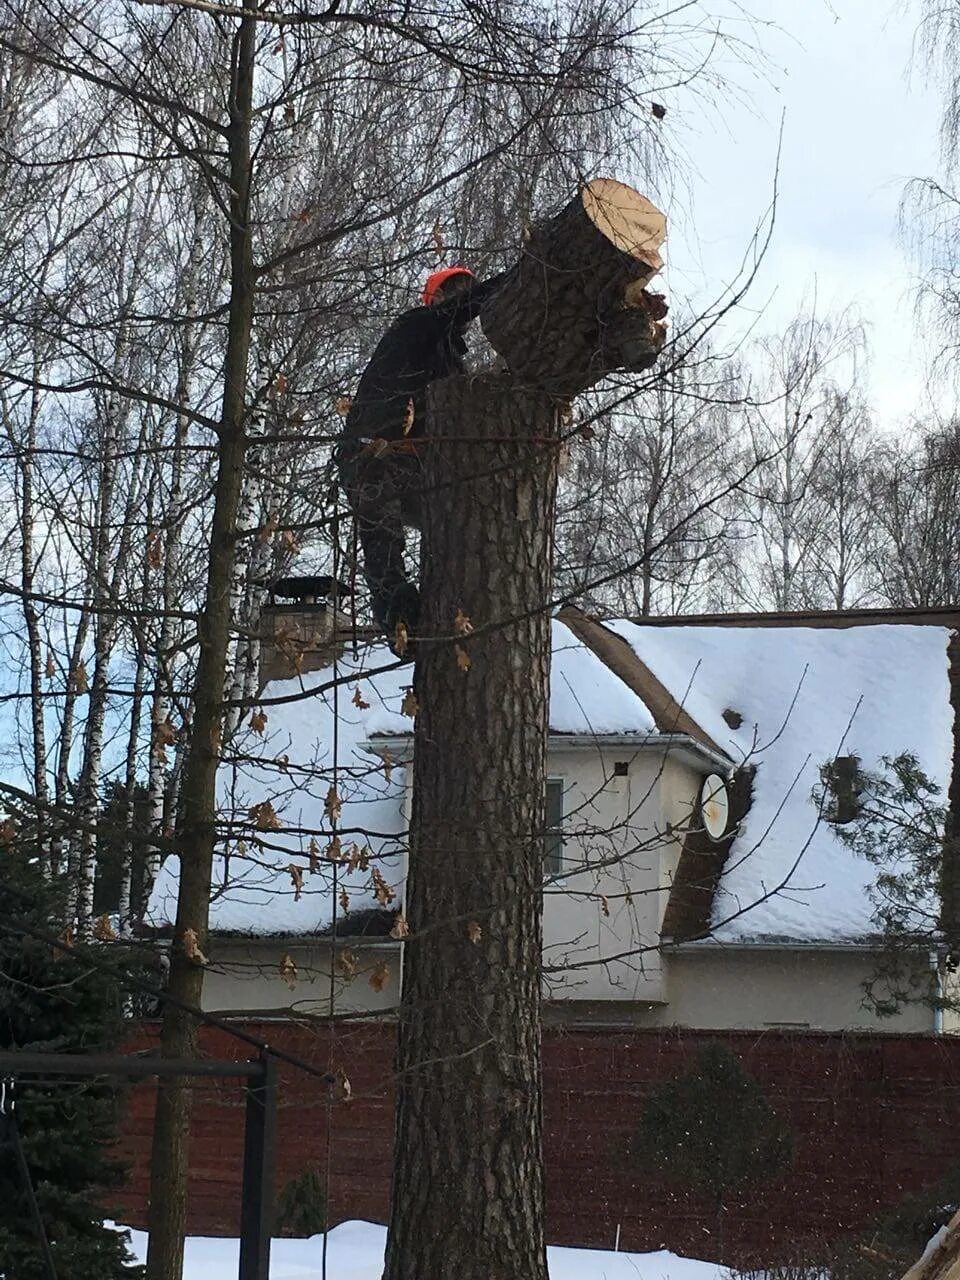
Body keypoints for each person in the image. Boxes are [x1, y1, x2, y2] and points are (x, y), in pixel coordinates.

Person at [336, 265, 502, 650]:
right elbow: (458, 310)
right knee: (385, 549)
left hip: (412, 467)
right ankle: (402, 626)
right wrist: (509, 280)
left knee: (452, 525)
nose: (459, 299)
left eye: (465, 290)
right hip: (373, 455)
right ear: (435, 300)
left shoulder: (452, 366)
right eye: (452, 292)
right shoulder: (414, 326)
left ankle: (439, 613)